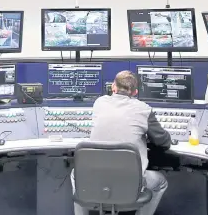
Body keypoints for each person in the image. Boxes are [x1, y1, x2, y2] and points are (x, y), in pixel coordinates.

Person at [72, 70, 173, 215]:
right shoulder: (144, 110)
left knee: (76, 174)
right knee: (160, 182)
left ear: (113, 87)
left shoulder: (99, 103)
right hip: (131, 184)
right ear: (135, 92)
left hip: (96, 179)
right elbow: (164, 142)